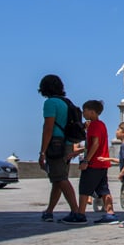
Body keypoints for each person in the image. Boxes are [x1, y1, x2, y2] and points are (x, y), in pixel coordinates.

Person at [37, 74, 82, 223]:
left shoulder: (50, 103)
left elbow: (48, 128)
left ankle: (76, 212)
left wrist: (42, 152)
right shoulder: (65, 102)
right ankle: (49, 211)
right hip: (68, 143)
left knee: (61, 179)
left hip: (56, 144)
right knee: (57, 178)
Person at [75, 100, 118, 224]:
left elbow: (95, 143)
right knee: (103, 189)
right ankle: (110, 213)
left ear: (92, 112)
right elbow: (97, 144)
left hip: (94, 163)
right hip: (103, 163)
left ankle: (80, 214)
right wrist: (77, 152)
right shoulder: (102, 124)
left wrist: (86, 160)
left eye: (85, 110)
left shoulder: (94, 125)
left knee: (84, 188)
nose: (83, 113)